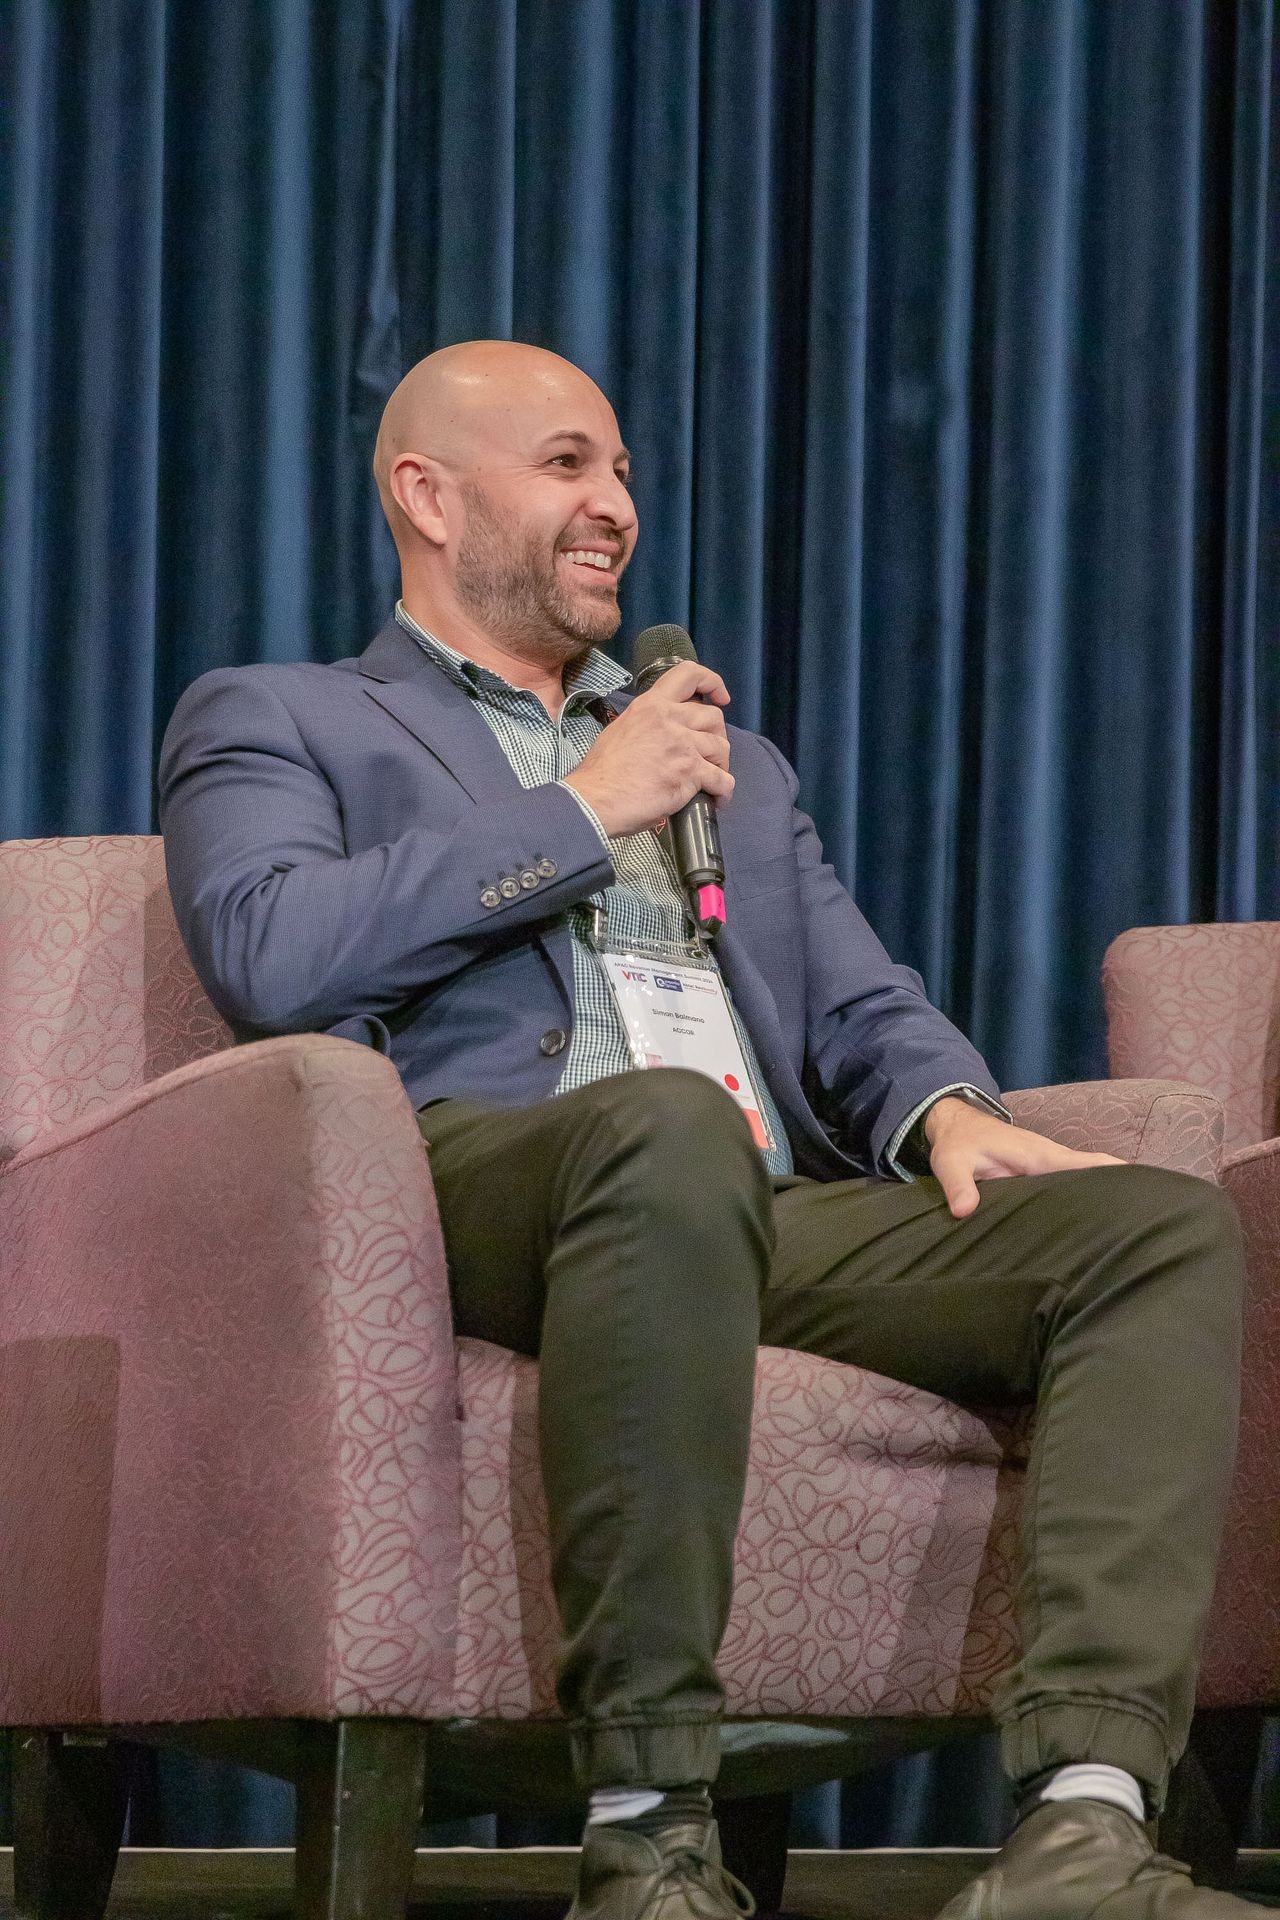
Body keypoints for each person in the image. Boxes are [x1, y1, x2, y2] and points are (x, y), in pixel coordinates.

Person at [160, 341, 1249, 1920]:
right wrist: (578, 811)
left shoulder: (725, 763)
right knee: (658, 1127)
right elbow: (268, 949)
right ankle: (649, 1820)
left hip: (740, 1198)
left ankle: (1079, 1830)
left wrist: (945, 1109)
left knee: (1154, 1227)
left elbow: (863, 998)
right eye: (565, 466)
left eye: (619, 472)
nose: (617, 507)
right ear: (427, 496)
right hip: (463, 1182)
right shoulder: (288, 715)